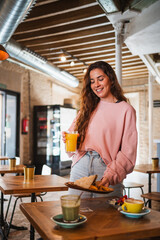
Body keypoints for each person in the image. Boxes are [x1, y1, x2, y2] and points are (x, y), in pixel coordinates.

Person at [62, 61, 137, 198]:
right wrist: (67, 138)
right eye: (92, 81)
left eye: (100, 79)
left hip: (107, 168)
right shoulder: (86, 109)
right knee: (75, 213)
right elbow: (72, 136)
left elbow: (128, 151)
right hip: (81, 165)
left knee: (107, 216)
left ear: (111, 79)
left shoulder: (126, 110)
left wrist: (110, 175)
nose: (96, 84)